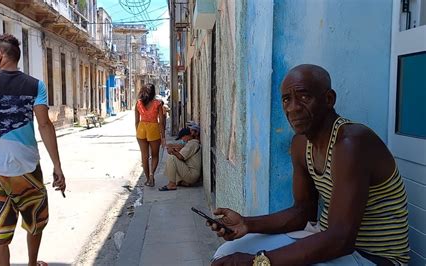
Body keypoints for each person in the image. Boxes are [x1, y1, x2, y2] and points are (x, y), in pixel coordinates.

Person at [209, 64, 409, 265]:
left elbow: (341, 239)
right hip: (327, 239)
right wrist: (246, 223)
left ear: (329, 99)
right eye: (287, 99)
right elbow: (303, 212)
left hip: (374, 258)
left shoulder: (351, 144)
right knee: (228, 253)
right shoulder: (300, 144)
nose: (293, 108)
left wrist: (258, 261)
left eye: (304, 97)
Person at [0, 34, 66, 266]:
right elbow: (44, 124)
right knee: (35, 218)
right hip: (27, 167)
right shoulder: (35, 84)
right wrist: (57, 166)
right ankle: (32, 263)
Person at [135, 83, 166, 187]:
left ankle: (147, 179)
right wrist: (163, 137)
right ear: (153, 92)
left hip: (141, 129)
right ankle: (152, 174)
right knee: (155, 155)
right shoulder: (158, 104)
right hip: (153, 129)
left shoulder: (138, 103)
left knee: (144, 156)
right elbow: (161, 122)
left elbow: (136, 121)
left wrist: (138, 132)